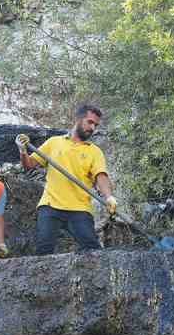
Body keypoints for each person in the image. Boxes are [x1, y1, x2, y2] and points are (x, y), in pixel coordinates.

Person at [17, 103, 118, 254]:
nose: (92, 128)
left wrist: (109, 197)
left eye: (95, 125)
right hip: (50, 205)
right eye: (89, 122)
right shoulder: (54, 142)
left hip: (79, 209)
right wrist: (23, 151)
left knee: (93, 251)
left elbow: (100, 176)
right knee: (43, 250)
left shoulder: (94, 152)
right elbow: (29, 165)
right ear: (78, 119)